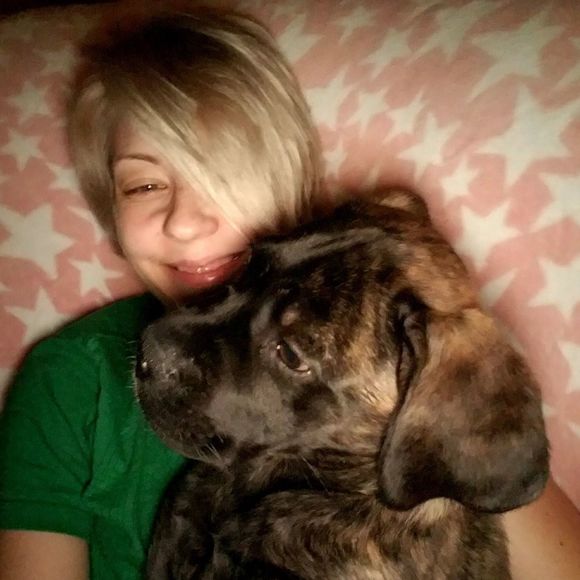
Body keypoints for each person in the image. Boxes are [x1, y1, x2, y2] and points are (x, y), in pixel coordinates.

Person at [0, 7, 579, 580]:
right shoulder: (70, 381)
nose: (185, 221)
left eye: (223, 174)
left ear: (294, 182)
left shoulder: (422, 378)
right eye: (144, 184)